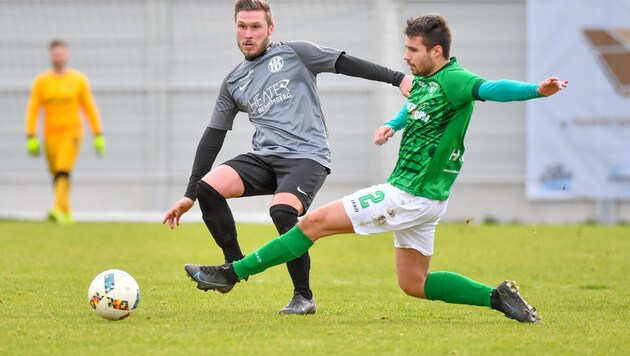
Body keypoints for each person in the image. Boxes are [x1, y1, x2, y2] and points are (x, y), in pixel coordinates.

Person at [182, 14, 569, 323]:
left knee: (310, 225)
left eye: (412, 50)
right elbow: (416, 104)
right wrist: (393, 125)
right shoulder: (428, 79)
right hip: (428, 200)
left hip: (408, 192)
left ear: (437, 51)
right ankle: (496, 297)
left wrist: (537, 89)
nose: (406, 57)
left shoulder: (455, 79)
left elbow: (491, 88)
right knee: (414, 284)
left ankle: (232, 273)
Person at [163, 0, 412, 315]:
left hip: (307, 157)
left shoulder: (296, 53)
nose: (248, 33)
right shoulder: (233, 81)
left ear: (270, 28)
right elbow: (213, 136)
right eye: (242, 26)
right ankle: (233, 267)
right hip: (265, 157)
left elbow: (345, 62)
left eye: (256, 27)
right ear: (235, 29)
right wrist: (189, 195)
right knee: (207, 189)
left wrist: (397, 78)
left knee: (282, 212)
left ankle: (303, 297)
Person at [25, 40, 105, 224]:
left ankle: (55, 209)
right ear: (50, 56)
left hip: (72, 133)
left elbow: (89, 107)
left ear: (67, 55)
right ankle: (67, 213)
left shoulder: (78, 80)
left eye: (60, 53)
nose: (57, 57)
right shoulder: (41, 82)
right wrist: (30, 135)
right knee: (56, 173)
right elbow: (33, 109)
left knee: (63, 170)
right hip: (50, 134)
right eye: (55, 53)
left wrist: (98, 133)